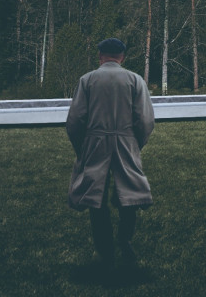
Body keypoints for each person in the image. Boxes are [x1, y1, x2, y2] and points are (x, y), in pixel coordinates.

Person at [66, 38, 155, 272]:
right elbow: (145, 120)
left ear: (100, 56)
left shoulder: (87, 80)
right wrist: (136, 144)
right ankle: (125, 240)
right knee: (131, 193)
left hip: (95, 142)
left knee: (95, 196)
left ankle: (104, 250)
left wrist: (82, 148)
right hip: (126, 140)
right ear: (122, 57)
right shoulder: (135, 80)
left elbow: (75, 120)